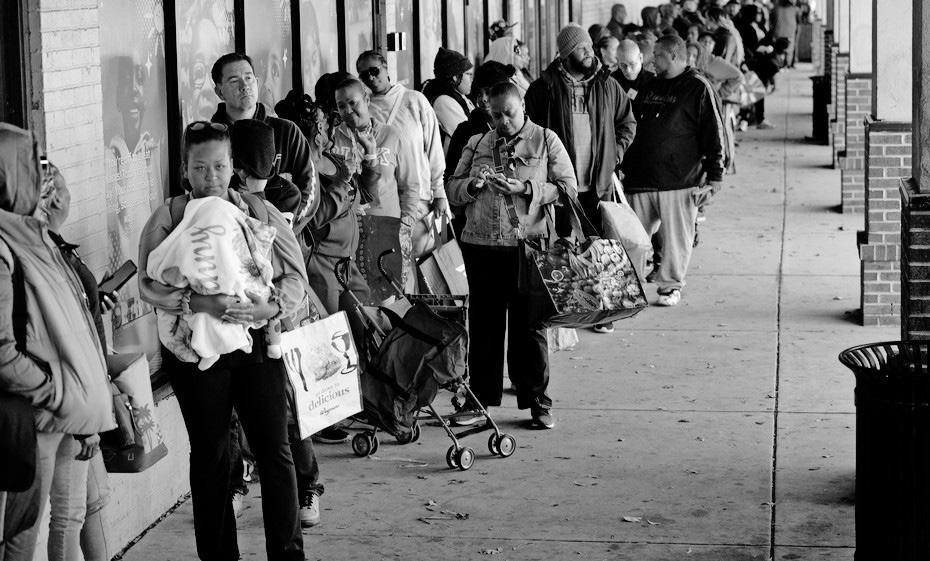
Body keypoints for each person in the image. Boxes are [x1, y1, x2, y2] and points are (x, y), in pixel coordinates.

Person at [138, 122, 308, 560]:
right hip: (194, 352)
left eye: (218, 166)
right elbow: (147, 285)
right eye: (200, 167)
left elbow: (296, 278)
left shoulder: (260, 211)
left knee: (274, 451)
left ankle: (288, 554)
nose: (210, 176)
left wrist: (266, 310)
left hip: (257, 345)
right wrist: (200, 303)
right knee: (211, 455)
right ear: (185, 170)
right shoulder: (169, 217)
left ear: (233, 166)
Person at [0, 123, 115, 560]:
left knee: (60, 518)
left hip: (52, 408)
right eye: (34, 168)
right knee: (21, 535)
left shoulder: (34, 239)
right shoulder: (7, 246)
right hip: (31, 413)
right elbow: (3, 352)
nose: (44, 182)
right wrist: (58, 392)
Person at [447, 82, 577, 430]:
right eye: (496, 115)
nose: (503, 121)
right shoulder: (477, 143)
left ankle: (537, 402)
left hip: (528, 247)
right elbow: (452, 187)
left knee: (530, 327)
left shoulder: (546, 140)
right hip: (481, 245)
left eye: (510, 113)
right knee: (484, 327)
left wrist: (526, 188)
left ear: (523, 107)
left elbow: (568, 187)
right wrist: (472, 185)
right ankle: (479, 401)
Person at [525, 24, 636, 334]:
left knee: (602, 247)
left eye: (589, 46)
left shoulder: (607, 85)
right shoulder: (544, 88)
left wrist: (615, 155)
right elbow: (529, 132)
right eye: (581, 48)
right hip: (560, 187)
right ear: (565, 54)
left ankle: (604, 312)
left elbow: (627, 122)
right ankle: (566, 312)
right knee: (560, 248)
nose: (589, 52)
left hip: (598, 185)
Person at [40, 162, 118, 561]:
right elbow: (58, 336)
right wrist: (85, 418)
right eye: (60, 188)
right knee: (69, 515)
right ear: (50, 199)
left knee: (92, 502)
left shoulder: (48, 247)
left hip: (76, 394)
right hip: (68, 400)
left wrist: (93, 302)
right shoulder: (42, 254)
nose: (67, 196)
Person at [621, 35, 726, 307]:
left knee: (676, 241)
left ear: (675, 56)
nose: (652, 60)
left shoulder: (698, 87)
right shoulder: (649, 85)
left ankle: (670, 286)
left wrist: (715, 176)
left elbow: (715, 133)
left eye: (657, 55)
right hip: (640, 178)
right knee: (631, 239)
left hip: (680, 180)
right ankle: (629, 287)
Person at [356, 50, 450, 269]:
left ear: (385, 67)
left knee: (436, 263)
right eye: (364, 75)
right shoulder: (365, 110)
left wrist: (439, 192)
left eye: (374, 70)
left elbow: (434, 148)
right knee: (394, 268)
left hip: (423, 201)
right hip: (386, 205)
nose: (371, 77)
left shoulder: (414, 100)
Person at [209, 52, 319, 229]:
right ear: (219, 92)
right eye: (234, 81)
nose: (244, 86)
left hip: (283, 237)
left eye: (249, 78)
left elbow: (310, 192)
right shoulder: (210, 139)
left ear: (257, 82)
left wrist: (281, 232)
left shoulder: (287, 131)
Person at [422, 47, 475, 152]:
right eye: (468, 74)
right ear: (455, 77)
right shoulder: (443, 101)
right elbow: (470, 137)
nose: (471, 79)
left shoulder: (460, 95)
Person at [771, 0, 801, 68]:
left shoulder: (776, 9)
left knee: (779, 50)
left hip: (779, 32)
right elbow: (798, 22)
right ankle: (788, 64)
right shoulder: (795, 9)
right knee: (789, 50)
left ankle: (780, 64)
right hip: (790, 33)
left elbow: (772, 21)